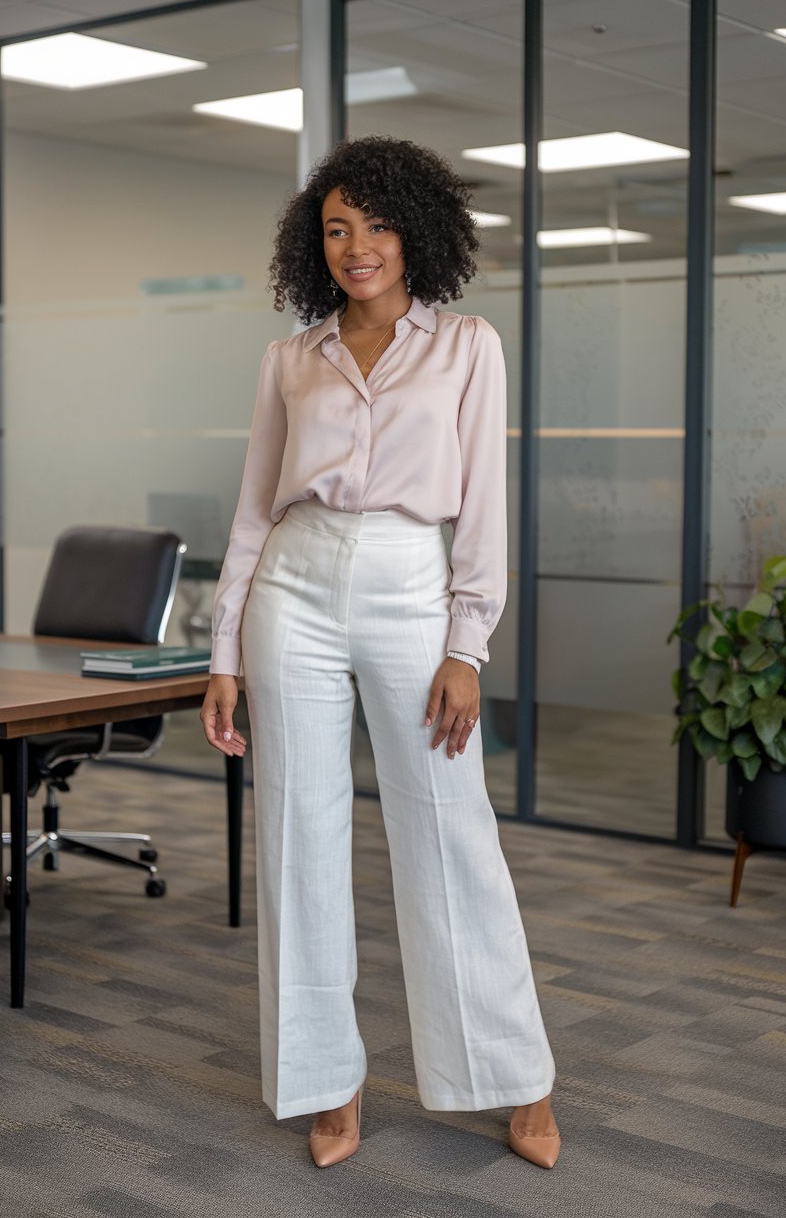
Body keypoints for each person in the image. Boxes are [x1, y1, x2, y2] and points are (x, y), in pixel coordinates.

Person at [200, 135, 560, 1171]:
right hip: (294, 590)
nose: (357, 245)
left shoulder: (467, 348)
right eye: (337, 229)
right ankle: (326, 1080)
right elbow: (253, 512)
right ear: (315, 248)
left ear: (418, 233)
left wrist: (469, 646)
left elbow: (483, 510)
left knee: (451, 833)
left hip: (412, 583)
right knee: (297, 838)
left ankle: (514, 1075)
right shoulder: (288, 361)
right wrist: (224, 647)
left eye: (377, 224)